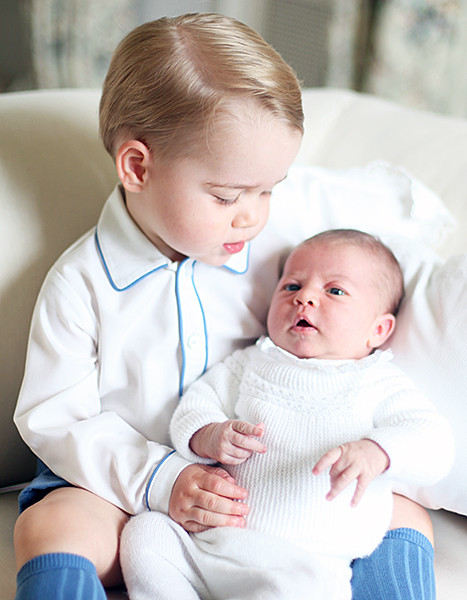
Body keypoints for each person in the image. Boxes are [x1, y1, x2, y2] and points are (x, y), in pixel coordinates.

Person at [11, 13, 441, 600]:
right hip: (117, 484)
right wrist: (162, 478)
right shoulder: (81, 284)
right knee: (50, 526)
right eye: (227, 196)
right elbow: (56, 420)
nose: (253, 215)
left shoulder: (275, 249)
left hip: (265, 487)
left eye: (269, 190)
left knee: (402, 513)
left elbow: (379, 223)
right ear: (138, 167)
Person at [120, 229, 453, 599]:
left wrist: (378, 451)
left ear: (378, 329)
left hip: (307, 563)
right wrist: (209, 434)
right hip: (209, 546)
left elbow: (434, 441)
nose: (305, 298)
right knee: (146, 533)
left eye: (335, 291)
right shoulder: (249, 363)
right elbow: (195, 405)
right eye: (292, 286)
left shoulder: (377, 382)